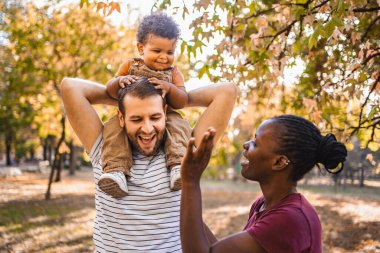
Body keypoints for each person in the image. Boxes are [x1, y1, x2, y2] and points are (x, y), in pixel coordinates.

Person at [60, 77, 237, 252]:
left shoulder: (185, 152)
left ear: (165, 113)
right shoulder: (104, 148)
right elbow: (70, 87)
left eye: (155, 117)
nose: (147, 128)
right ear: (121, 118)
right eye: (136, 119)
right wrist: (125, 98)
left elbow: (227, 91)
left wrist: (175, 98)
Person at [180, 115, 347, 253]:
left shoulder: (290, 219)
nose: (246, 145)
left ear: (279, 162)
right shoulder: (263, 204)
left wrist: (190, 181)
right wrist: (179, 203)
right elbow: (217, 249)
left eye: (256, 143)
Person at [100, 13, 190, 198]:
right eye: (157, 51)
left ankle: (177, 167)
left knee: (179, 125)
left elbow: (183, 101)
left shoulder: (174, 74)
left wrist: (170, 88)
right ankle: (116, 171)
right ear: (141, 48)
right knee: (112, 128)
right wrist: (119, 81)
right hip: (132, 115)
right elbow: (109, 90)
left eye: (170, 52)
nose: (164, 57)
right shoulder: (130, 64)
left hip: (164, 115)